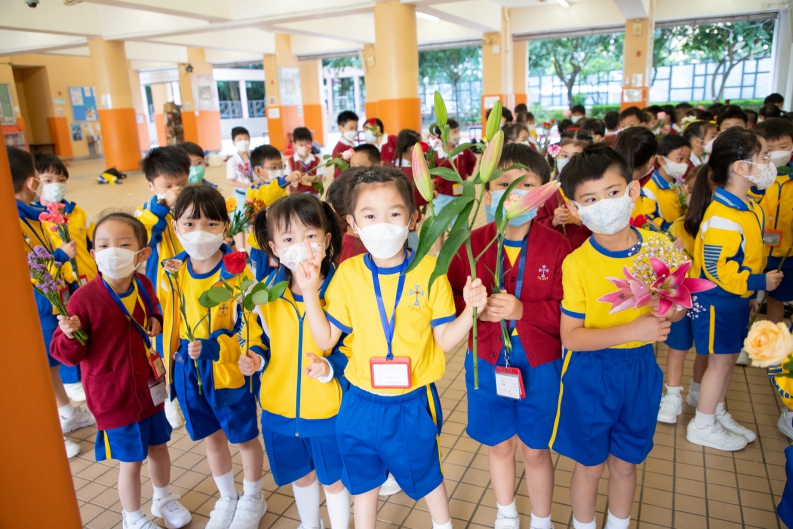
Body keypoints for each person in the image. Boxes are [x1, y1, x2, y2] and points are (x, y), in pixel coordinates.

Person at [296, 166, 488, 529]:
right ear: (352, 224)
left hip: (412, 401)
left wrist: (471, 312)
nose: (382, 224)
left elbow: (445, 340)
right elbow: (325, 340)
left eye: (394, 213)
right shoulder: (348, 274)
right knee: (363, 481)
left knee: (427, 473)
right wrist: (308, 292)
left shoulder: (431, 271)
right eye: (370, 216)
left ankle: (442, 525)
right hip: (359, 400)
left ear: (414, 219)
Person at [552, 144, 684, 529]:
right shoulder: (577, 263)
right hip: (591, 374)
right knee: (590, 466)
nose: (605, 205)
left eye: (613, 192)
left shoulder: (659, 247)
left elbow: (677, 308)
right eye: (591, 199)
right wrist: (635, 329)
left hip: (641, 370)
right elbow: (571, 338)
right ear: (575, 209)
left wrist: (669, 307)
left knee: (626, 464)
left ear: (633, 190)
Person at [448, 144, 571, 529]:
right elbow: (451, 301)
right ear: (487, 194)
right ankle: (506, 513)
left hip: (540, 362)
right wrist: (472, 310)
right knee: (499, 444)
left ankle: (541, 519)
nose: (515, 193)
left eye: (527, 185)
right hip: (487, 360)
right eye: (504, 184)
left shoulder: (558, 246)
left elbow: (569, 312)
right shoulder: (471, 244)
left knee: (535, 449)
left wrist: (522, 311)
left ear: (543, 193)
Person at [51, 213, 191, 529]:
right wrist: (70, 334)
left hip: (149, 389)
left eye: (123, 244)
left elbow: (153, 310)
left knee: (159, 448)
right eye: (103, 245)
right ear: (93, 253)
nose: (112, 251)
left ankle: (163, 498)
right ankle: (133, 516)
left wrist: (155, 320)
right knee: (131, 461)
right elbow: (65, 354)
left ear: (142, 254)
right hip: (114, 396)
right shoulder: (83, 299)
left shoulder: (143, 284)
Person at [243, 194, 352, 529]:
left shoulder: (343, 289)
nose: (301, 246)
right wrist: (256, 357)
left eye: (310, 235)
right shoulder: (265, 293)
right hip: (279, 408)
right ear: (274, 248)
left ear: (327, 239)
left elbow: (355, 347)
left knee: (334, 479)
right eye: (288, 239)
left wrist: (331, 367)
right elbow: (260, 338)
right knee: (301, 476)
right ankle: (310, 523)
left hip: (329, 409)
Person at [161, 185, 267, 528]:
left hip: (227, 369)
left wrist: (218, 348)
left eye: (210, 223)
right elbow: (168, 322)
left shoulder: (237, 273)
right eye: (190, 224)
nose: (199, 232)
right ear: (176, 227)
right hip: (187, 369)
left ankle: (254, 497)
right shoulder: (172, 272)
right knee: (211, 437)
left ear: (225, 226)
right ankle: (227, 497)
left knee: (244, 437)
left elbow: (251, 327)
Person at [686, 128, 780, 451]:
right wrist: (759, 283)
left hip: (735, 299)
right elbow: (718, 269)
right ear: (740, 167)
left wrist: (751, 295)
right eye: (764, 157)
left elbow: (749, 256)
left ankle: (716, 411)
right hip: (717, 301)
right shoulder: (723, 216)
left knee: (726, 361)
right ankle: (702, 424)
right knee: (719, 363)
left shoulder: (748, 205)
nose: (769, 164)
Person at [9, 145, 95, 460]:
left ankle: (67, 413)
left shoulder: (32, 216)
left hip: (49, 300)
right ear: (33, 182)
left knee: (50, 363)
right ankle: (50, 432)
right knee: (37, 368)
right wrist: (59, 256)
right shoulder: (13, 222)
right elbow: (27, 267)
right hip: (32, 306)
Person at [35, 153, 98, 401]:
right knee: (66, 328)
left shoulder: (78, 213)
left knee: (86, 324)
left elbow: (93, 242)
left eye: (61, 179)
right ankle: (71, 378)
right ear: (35, 182)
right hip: (60, 285)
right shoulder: (37, 219)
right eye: (48, 180)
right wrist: (60, 256)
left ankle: (87, 369)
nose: (56, 185)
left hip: (85, 279)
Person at [134, 146, 189, 430]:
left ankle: (187, 389)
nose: (176, 190)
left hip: (192, 286)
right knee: (164, 346)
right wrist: (163, 206)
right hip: (163, 294)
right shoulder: (146, 214)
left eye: (182, 184)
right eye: (168, 185)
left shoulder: (191, 205)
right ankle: (168, 399)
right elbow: (145, 235)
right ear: (151, 185)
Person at [657, 166, 712, 424]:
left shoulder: (718, 225)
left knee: (705, 349)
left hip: (708, 298)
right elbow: (664, 268)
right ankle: (672, 395)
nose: (687, 196)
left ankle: (699, 389)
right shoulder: (678, 226)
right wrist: (673, 254)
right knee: (678, 347)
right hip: (681, 296)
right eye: (687, 190)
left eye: (693, 191)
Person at [752, 118, 793, 326]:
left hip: (788, 253)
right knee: (763, 298)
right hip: (757, 251)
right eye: (770, 149)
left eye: (783, 147)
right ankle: (765, 338)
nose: (777, 153)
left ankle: (780, 339)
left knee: (780, 297)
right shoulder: (754, 178)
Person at [536, 130, 593, 250]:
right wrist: (554, 221)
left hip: (587, 251)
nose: (568, 161)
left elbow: (604, 224)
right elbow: (535, 226)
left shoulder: (594, 189)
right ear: (557, 156)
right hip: (555, 252)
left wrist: (578, 221)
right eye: (564, 156)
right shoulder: (546, 191)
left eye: (575, 156)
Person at [642, 135, 692, 231]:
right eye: (680, 159)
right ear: (661, 160)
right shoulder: (649, 191)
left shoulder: (681, 183)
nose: (685, 164)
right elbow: (648, 220)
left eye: (687, 160)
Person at [434, 119, 477, 223]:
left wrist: (467, 173)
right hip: (442, 195)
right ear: (442, 135)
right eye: (454, 132)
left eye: (458, 131)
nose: (457, 135)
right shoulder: (435, 155)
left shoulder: (464, 151)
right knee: (438, 224)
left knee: (459, 225)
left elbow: (472, 161)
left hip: (460, 195)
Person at [393, 129, 429, 251]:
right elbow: (420, 197)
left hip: (394, 224)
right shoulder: (413, 172)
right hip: (409, 225)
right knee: (414, 256)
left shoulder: (392, 168)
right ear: (413, 148)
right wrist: (432, 193)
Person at [226, 127, 254, 249]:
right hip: (241, 195)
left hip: (255, 195)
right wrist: (248, 185)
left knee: (255, 221)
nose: (243, 141)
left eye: (246, 138)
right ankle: (242, 250)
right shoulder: (232, 161)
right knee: (239, 223)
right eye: (239, 139)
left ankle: (256, 246)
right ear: (234, 142)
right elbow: (231, 182)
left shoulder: (254, 158)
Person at [289, 127, 322, 195]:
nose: (304, 147)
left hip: (313, 194)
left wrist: (305, 178)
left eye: (307, 145)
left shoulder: (317, 160)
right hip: (296, 195)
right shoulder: (290, 161)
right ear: (294, 144)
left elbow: (319, 178)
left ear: (311, 143)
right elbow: (287, 178)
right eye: (301, 145)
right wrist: (294, 180)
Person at [332, 111, 359, 179]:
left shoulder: (352, 144)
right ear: (340, 128)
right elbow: (340, 174)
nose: (354, 131)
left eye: (356, 128)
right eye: (351, 128)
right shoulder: (339, 149)